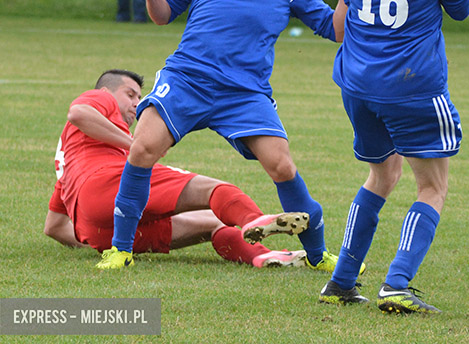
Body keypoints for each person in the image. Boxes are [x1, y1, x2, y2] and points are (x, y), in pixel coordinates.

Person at [96, 0, 352, 272]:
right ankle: (120, 249)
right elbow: (164, 14)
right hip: (187, 79)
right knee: (142, 149)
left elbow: (336, 30)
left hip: (244, 93)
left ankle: (318, 255)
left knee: (281, 166)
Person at [318, 0, 469, 314]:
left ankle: (343, 279)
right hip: (413, 85)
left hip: (358, 81)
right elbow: (461, 9)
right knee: (433, 186)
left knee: (381, 174)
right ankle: (397, 283)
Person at [46, 69, 307, 268]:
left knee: (212, 224)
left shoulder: (69, 159)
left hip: (98, 231)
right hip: (106, 185)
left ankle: (262, 257)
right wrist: (136, 145)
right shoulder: (100, 97)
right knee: (213, 189)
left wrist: (93, 235)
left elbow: (54, 227)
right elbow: (79, 113)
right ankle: (252, 219)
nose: (137, 103)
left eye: (140, 97)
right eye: (130, 95)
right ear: (107, 90)